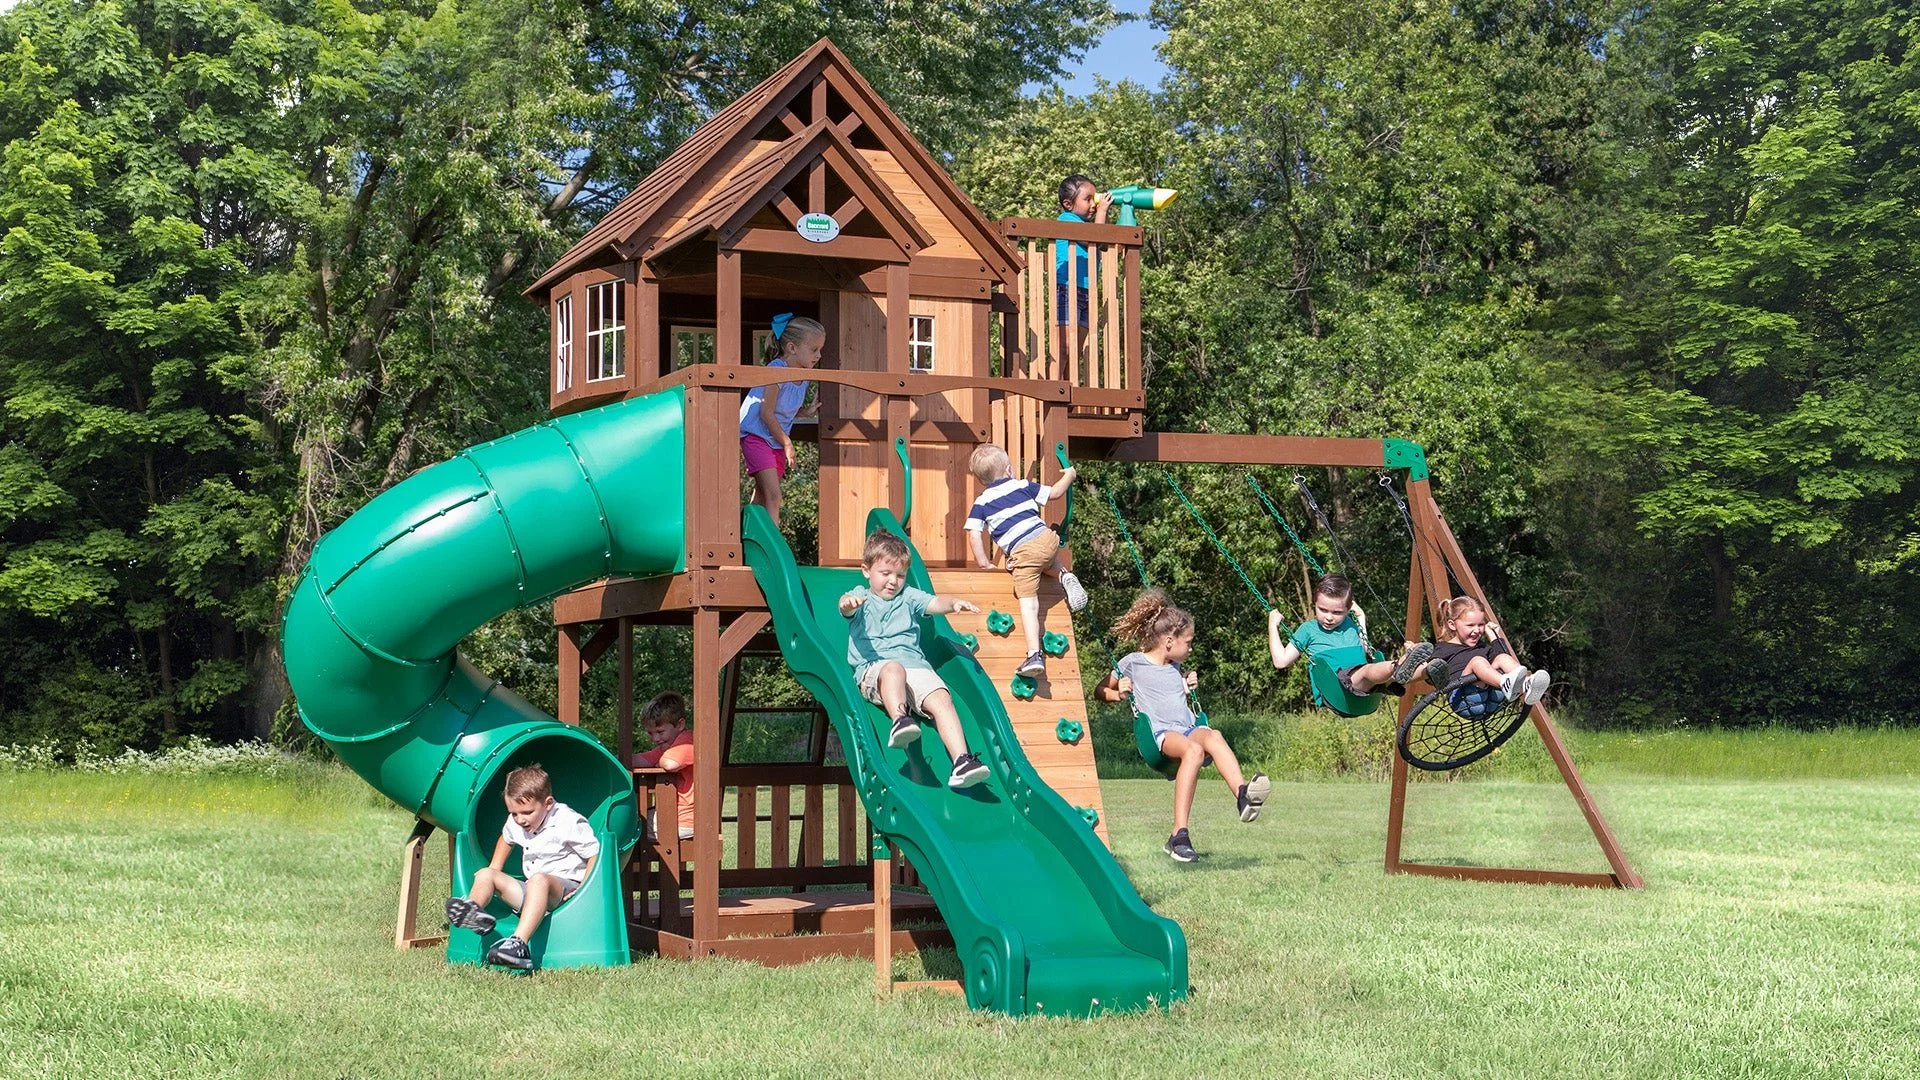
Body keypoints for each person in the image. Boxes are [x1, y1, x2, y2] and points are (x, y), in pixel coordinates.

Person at [1095, 589, 1269, 864]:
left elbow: (1172, 698)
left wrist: (1186, 688)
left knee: (1213, 735)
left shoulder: (1175, 667)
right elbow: (1099, 690)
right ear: (1168, 641)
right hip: (1160, 736)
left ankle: (1242, 795)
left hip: (1186, 727)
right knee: (1192, 750)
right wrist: (1118, 693)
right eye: (1187, 642)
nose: (1190, 647)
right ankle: (1180, 835)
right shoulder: (1132, 663)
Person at [841, 529, 990, 789]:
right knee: (894, 670)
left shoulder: (908, 596)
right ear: (866, 571)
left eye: (899, 575)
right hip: (875, 669)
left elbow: (933, 603)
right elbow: (846, 605)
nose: (893, 581)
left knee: (942, 698)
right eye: (885, 574)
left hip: (916, 666)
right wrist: (849, 604)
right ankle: (900, 719)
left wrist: (952, 603)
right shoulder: (860, 595)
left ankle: (961, 761)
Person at [444, 764, 599, 970]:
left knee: (539, 879)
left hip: (563, 892)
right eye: (514, 813)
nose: (520, 820)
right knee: (486, 874)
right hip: (534, 893)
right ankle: (473, 911)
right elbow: (506, 838)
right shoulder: (516, 821)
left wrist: (583, 890)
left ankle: (519, 943)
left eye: (526, 812)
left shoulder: (568, 820)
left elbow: (594, 853)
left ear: (548, 803)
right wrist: (495, 868)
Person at [963, 444, 1089, 678]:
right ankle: (1065, 575)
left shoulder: (981, 503)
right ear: (1009, 470)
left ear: (981, 480)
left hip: (1023, 552)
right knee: (1043, 562)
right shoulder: (1022, 485)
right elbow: (1055, 493)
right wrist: (1070, 475)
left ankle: (1034, 655)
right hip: (1047, 540)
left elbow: (974, 534)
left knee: (1028, 604)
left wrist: (984, 563)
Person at [1267, 574, 1448, 699]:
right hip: (1337, 689)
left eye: (1337, 612)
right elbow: (1281, 661)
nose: (1329, 617)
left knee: (1387, 676)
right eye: (1322, 609)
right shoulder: (1308, 629)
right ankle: (1400, 664)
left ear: (1348, 609)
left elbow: (1365, 649)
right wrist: (1273, 624)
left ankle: (1428, 671)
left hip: (1362, 684)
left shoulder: (1349, 625)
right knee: (1369, 670)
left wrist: (1361, 618)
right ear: (1314, 604)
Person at [740, 313, 825, 527]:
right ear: (792, 348)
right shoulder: (777, 370)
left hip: (774, 441)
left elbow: (783, 410)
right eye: (814, 349)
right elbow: (766, 412)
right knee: (775, 496)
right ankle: (773, 545)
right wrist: (787, 442)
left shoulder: (804, 375)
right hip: (757, 437)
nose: (819, 355)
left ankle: (748, 534)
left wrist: (805, 412)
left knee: (762, 496)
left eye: (820, 350)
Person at [1432, 595, 1550, 717]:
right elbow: (1432, 673)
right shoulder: (1443, 648)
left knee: (1501, 658)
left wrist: (1494, 637)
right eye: (1470, 625)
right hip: (1464, 699)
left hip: (1491, 699)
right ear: (1452, 624)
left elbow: (1503, 656)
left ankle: (1525, 684)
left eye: (1481, 625)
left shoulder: (1483, 647)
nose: (1477, 630)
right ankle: (1504, 683)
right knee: (1478, 661)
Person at [1054, 174, 1111, 363]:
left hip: (1087, 291)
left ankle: (1068, 386)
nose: (1094, 205)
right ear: (1069, 204)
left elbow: (1103, 242)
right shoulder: (1066, 219)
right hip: (1068, 288)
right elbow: (1093, 239)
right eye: (1088, 199)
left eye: (1095, 199)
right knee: (1064, 347)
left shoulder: (1089, 225)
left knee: (1076, 349)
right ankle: (1050, 389)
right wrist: (1102, 212)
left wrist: (1105, 212)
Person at [631, 691, 694, 844]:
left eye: (660, 732)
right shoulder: (667, 747)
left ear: (680, 725)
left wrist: (659, 762)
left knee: (625, 827)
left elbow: (670, 763)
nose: (655, 738)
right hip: (675, 815)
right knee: (631, 820)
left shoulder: (688, 741)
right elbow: (639, 759)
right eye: (650, 733)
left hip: (685, 820)